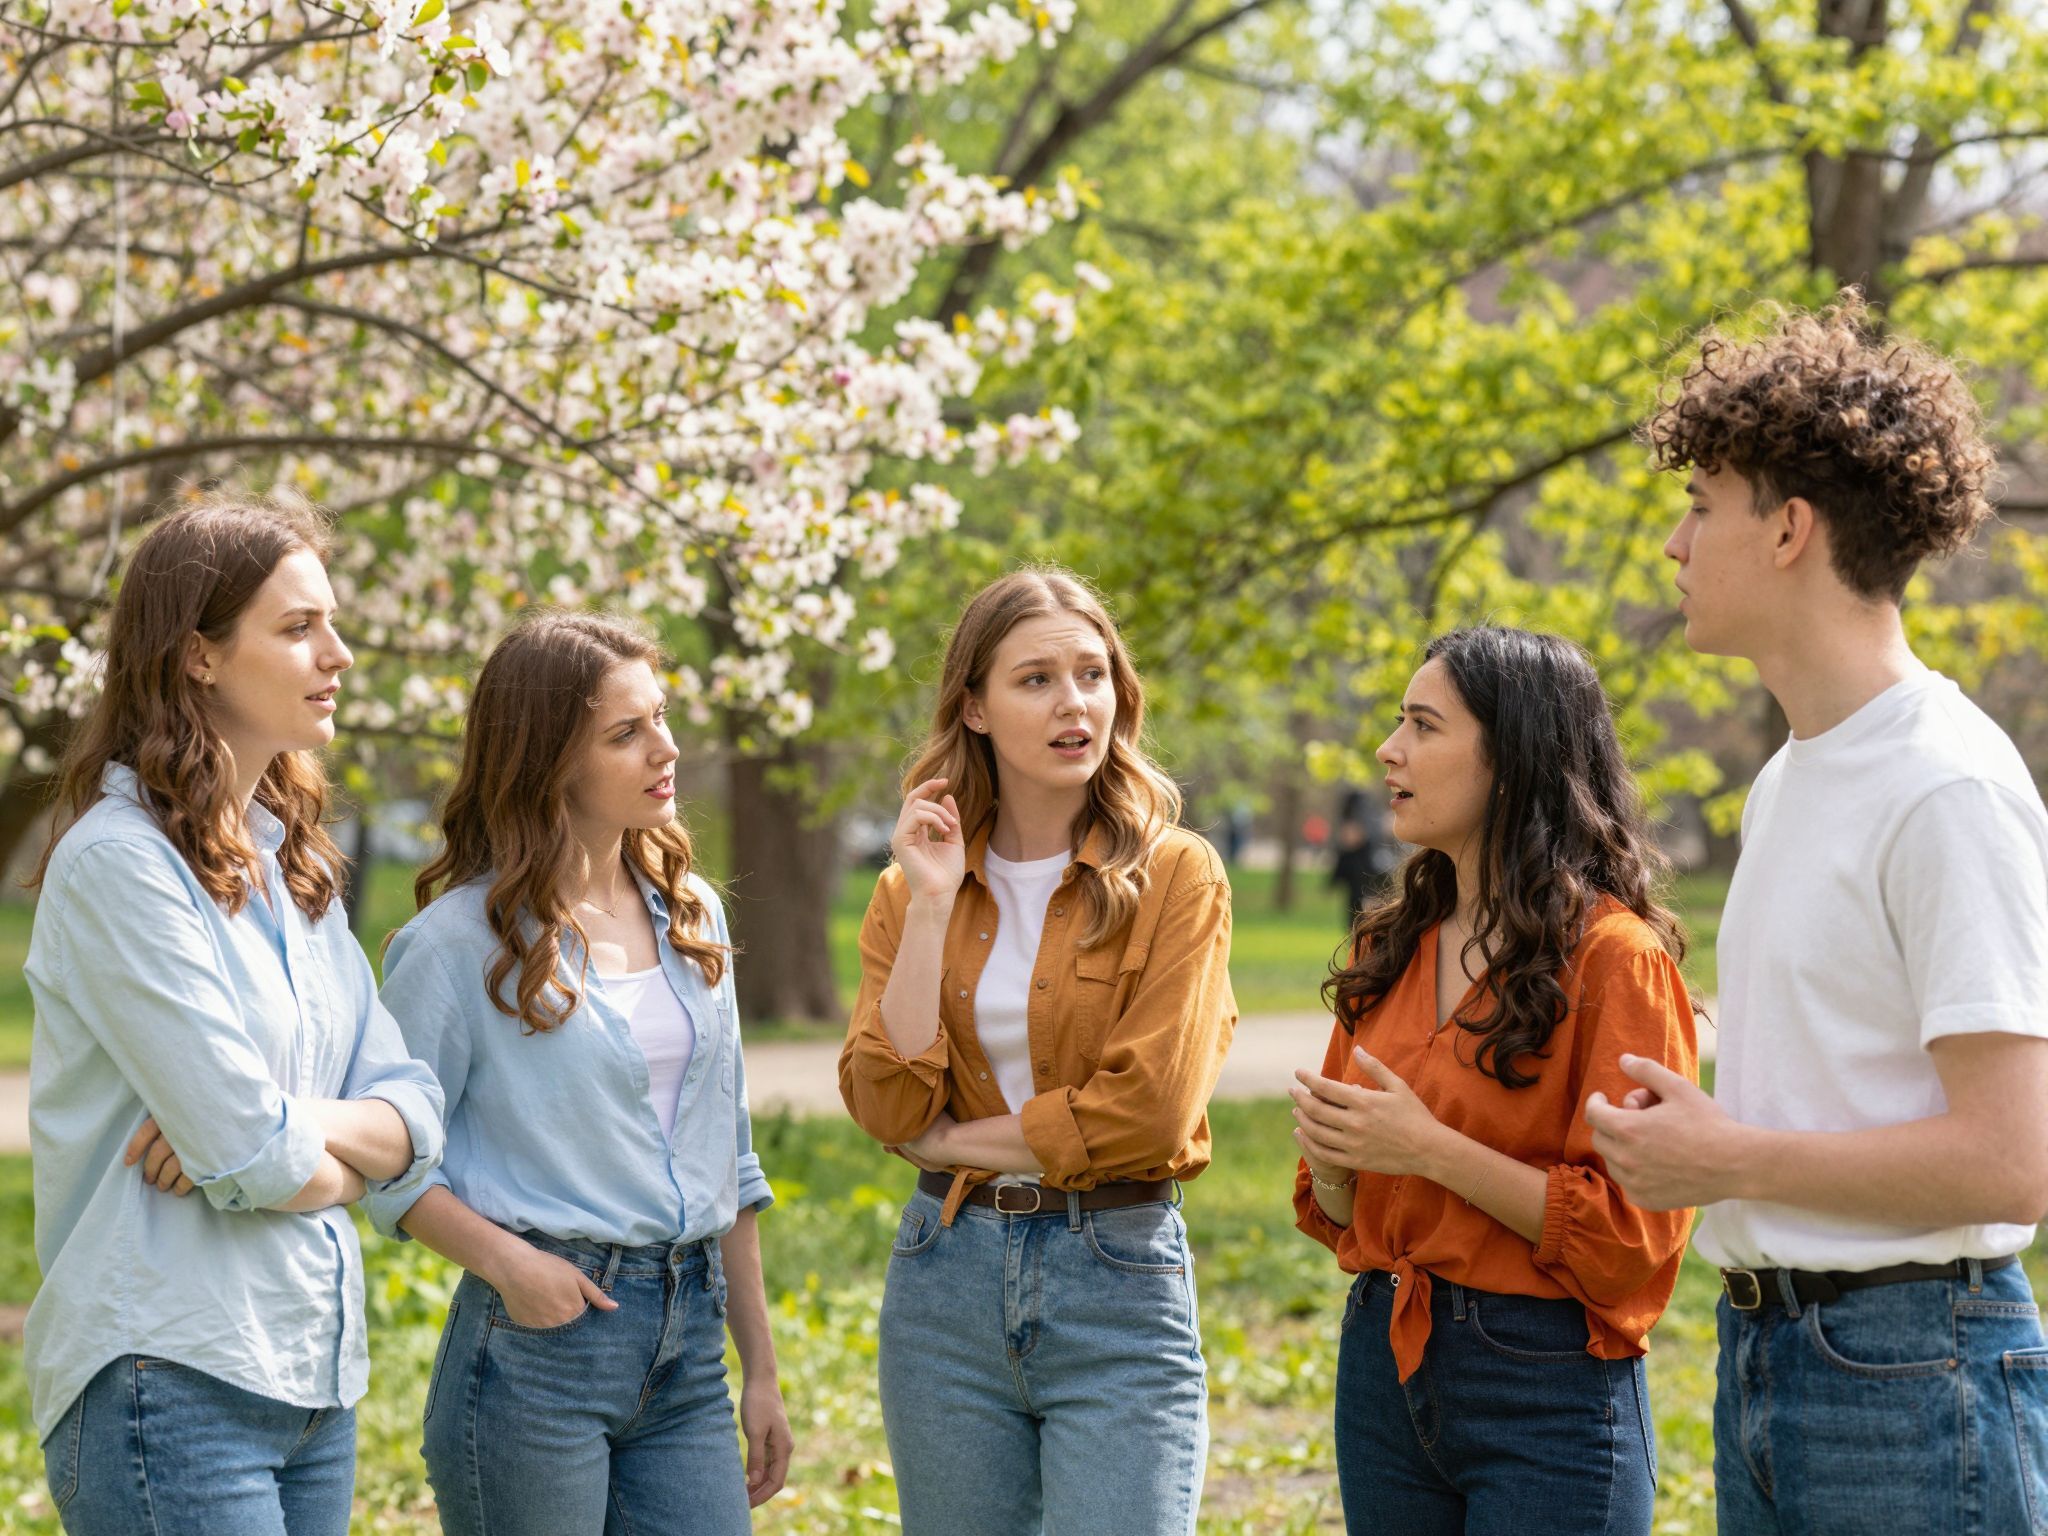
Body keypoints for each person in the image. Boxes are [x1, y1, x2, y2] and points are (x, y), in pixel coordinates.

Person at [1588, 295, 2048, 1533]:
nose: (1675, 548)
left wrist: (1728, 1158)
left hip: (1912, 1375)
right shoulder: (1791, 775)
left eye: (1699, 508)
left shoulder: (1942, 783)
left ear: (1787, 528)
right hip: (1771, 1358)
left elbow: (2010, 1159)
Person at [23, 488, 445, 1536]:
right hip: (164, 1377)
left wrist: (289, 1127)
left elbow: (419, 1112)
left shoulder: (290, 869)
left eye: (331, 623)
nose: (337, 654)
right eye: (298, 628)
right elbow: (265, 1159)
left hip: (311, 1379)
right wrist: (297, 1141)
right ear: (199, 655)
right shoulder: (121, 866)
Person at [363, 611, 791, 1535]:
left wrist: (760, 1367)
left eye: (663, 718)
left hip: (689, 1349)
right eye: (626, 733)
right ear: (549, 758)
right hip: (537, 1355)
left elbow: (730, 1161)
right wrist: (513, 1266)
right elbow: (391, 1162)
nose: (665, 749)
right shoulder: (453, 947)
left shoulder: (693, 913)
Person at [837, 568, 1235, 1536]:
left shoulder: (1176, 874)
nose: (1074, 704)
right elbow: (886, 1106)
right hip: (945, 1286)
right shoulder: (909, 887)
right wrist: (931, 905)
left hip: (1117, 1276)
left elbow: (1147, 1111)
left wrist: (950, 1145)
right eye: (1036, 680)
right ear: (972, 706)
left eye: (1092, 675)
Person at [1292, 626, 1697, 1536]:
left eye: (1425, 726)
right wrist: (1335, 1161)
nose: (1390, 750)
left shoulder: (1614, 962)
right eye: (1398, 722)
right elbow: (1340, 1212)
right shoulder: (1385, 948)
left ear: (1512, 760)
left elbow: (1634, 1238)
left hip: (1547, 1389)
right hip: (1384, 1365)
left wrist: (1428, 1151)